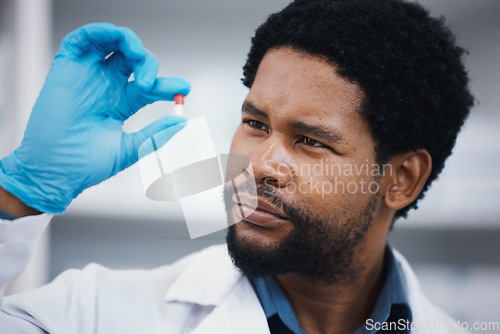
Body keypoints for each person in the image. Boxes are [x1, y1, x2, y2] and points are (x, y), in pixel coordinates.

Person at [0, 0, 474, 333]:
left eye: (309, 141)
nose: (260, 164)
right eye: (255, 124)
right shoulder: (95, 315)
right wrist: (20, 194)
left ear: (402, 179)